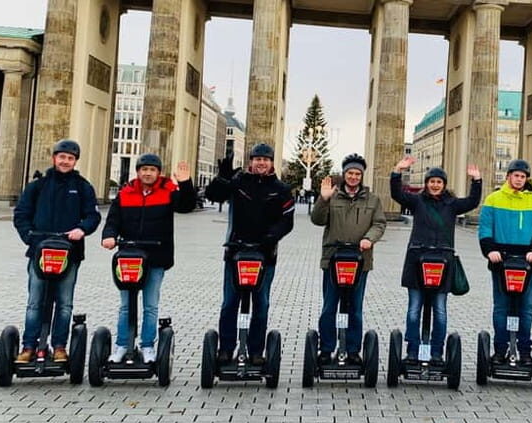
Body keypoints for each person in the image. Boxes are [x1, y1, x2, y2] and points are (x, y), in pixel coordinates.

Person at [205, 143, 295, 365]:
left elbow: (287, 220)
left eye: (265, 159)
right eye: (257, 159)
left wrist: (272, 236)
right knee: (229, 303)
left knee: (261, 303)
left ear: (271, 162)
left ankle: (256, 350)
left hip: (265, 254)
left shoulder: (281, 188)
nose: (261, 163)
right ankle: (226, 348)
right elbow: (214, 195)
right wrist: (223, 176)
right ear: (251, 162)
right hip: (236, 251)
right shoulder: (239, 182)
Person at [12, 139, 101, 363]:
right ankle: (29, 346)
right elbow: (21, 214)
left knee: (64, 303)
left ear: (75, 161)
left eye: (70, 158)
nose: (65, 161)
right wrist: (28, 236)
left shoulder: (82, 186)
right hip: (39, 251)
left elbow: (93, 215)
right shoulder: (38, 186)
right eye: (62, 157)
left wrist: (82, 229)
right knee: (35, 301)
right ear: (54, 158)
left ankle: (60, 346)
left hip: (69, 253)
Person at [101, 154, 196, 363]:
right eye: (144, 169)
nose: (147, 173)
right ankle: (122, 345)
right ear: (138, 171)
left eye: (152, 170)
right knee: (126, 305)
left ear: (158, 172)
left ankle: (147, 346)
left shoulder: (168, 190)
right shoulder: (126, 192)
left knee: (150, 305)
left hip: (156, 256)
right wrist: (108, 236)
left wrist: (185, 183)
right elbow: (113, 219)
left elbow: (187, 206)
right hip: (129, 257)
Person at [391, 156, 482, 364]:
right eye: (432, 181)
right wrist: (398, 171)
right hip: (417, 259)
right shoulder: (417, 201)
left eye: (439, 182)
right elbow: (397, 193)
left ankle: (437, 352)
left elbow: (472, 202)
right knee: (414, 308)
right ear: (426, 183)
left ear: (444, 185)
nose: (435, 185)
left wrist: (476, 181)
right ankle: (412, 350)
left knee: (440, 309)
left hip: (443, 260)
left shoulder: (451, 204)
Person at [311, 153, 386, 365]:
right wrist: (323, 199)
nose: (353, 177)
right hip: (333, 259)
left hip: (360, 261)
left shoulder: (372, 200)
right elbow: (317, 220)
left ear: (362, 176)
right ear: (344, 175)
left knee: (355, 307)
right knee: (329, 306)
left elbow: (379, 224)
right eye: (350, 173)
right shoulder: (332, 196)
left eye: (357, 174)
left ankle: (353, 350)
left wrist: (369, 239)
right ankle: (326, 349)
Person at [478, 159, 532, 366]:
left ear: (527, 179)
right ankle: (500, 349)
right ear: (508, 176)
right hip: (501, 260)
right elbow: (485, 228)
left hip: (528, 262)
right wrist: (490, 250)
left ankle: (525, 351)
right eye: (516, 175)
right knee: (501, 307)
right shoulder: (493, 199)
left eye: (523, 176)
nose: (519, 179)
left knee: (525, 308)